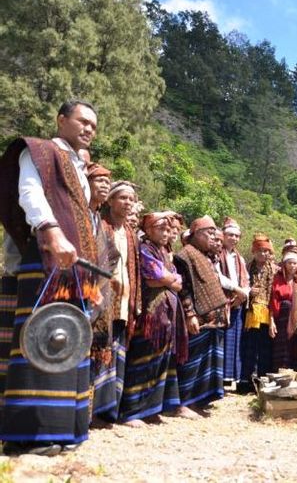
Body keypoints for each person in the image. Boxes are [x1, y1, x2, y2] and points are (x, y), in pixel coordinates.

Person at [0, 100, 100, 455]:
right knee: (41, 337)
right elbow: (30, 193)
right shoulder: (39, 151)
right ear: (61, 120)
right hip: (45, 258)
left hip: (75, 268)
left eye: (93, 125)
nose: (89, 129)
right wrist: (52, 232)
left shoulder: (79, 167)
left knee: (68, 340)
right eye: (82, 121)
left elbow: (84, 219)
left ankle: (63, 431)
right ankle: (29, 436)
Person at [119, 212, 188, 425]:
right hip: (151, 316)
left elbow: (177, 280)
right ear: (148, 230)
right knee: (143, 361)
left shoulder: (165, 252)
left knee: (160, 362)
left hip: (166, 315)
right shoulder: (145, 249)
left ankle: (152, 409)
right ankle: (131, 412)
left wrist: (168, 280)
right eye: (161, 229)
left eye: (168, 230)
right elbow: (154, 278)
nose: (166, 233)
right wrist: (169, 280)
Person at [91, 179, 141, 424]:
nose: (127, 202)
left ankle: (113, 411)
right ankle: (93, 412)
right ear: (110, 201)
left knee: (118, 357)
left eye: (131, 199)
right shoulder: (101, 226)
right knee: (100, 354)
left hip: (124, 306)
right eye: (122, 197)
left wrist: (135, 301)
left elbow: (135, 272)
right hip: (102, 305)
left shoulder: (130, 233)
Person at [174, 216, 229, 409]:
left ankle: (201, 398)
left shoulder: (206, 255)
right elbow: (184, 288)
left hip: (215, 319)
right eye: (209, 232)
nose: (213, 236)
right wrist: (190, 315)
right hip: (199, 318)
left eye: (215, 232)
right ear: (196, 234)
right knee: (193, 361)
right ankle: (184, 403)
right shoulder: (185, 255)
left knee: (209, 361)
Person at [240, 235, 276, 392]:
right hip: (250, 313)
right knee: (249, 348)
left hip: (268, 314)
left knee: (265, 349)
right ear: (254, 252)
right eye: (260, 251)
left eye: (266, 251)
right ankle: (247, 381)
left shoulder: (275, 271)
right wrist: (249, 292)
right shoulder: (246, 268)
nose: (263, 254)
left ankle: (262, 381)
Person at [218, 217, 250, 387]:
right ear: (222, 235)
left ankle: (229, 378)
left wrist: (243, 293)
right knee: (222, 340)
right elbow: (218, 277)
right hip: (222, 302)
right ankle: (219, 379)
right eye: (230, 235)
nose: (233, 238)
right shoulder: (217, 253)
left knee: (234, 341)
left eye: (237, 236)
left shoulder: (240, 258)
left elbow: (246, 279)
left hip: (237, 303)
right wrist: (237, 290)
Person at [269, 252, 297, 370]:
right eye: (290, 263)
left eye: (295, 263)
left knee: (295, 347)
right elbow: (272, 301)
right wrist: (271, 321)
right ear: (284, 264)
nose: (292, 266)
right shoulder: (277, 280)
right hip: (281, 320)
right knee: (281, 349)